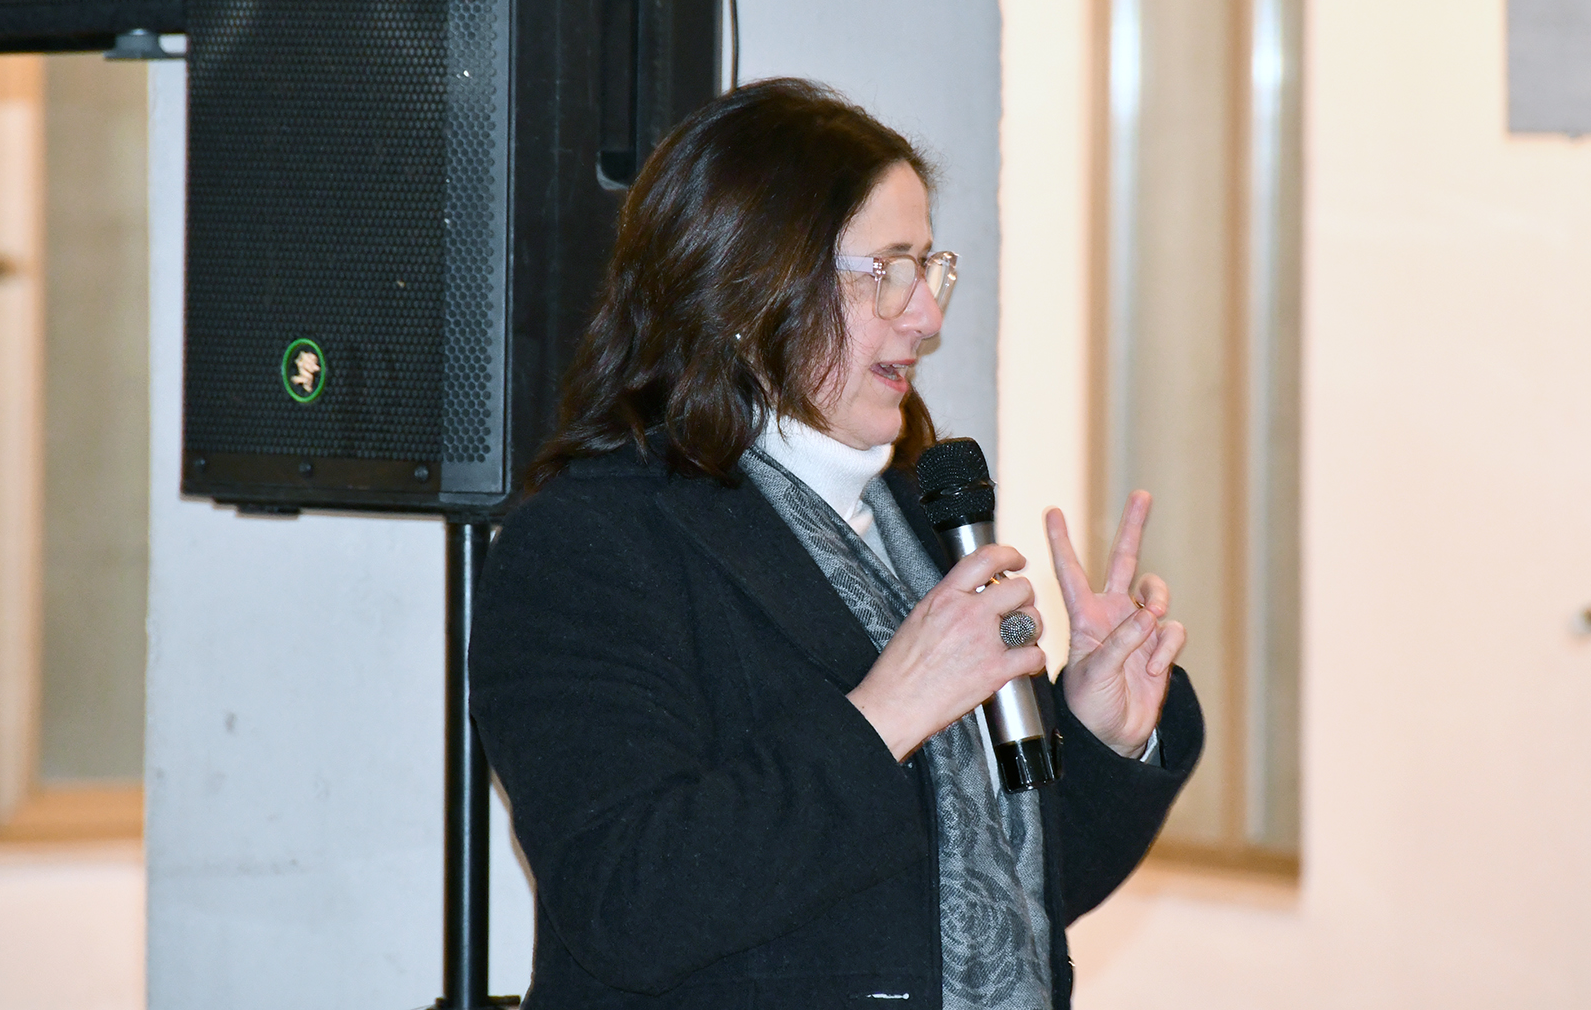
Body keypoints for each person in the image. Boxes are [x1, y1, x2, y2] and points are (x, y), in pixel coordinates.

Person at [470, 78, 1203, 1009]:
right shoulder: (592, 544)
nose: (926, 316)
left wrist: (1099, 736)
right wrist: (888, 714)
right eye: (888, 271)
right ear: (751, 285)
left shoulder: (917, 522)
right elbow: (627, 902)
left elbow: (1004, 900)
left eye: (929, 267)